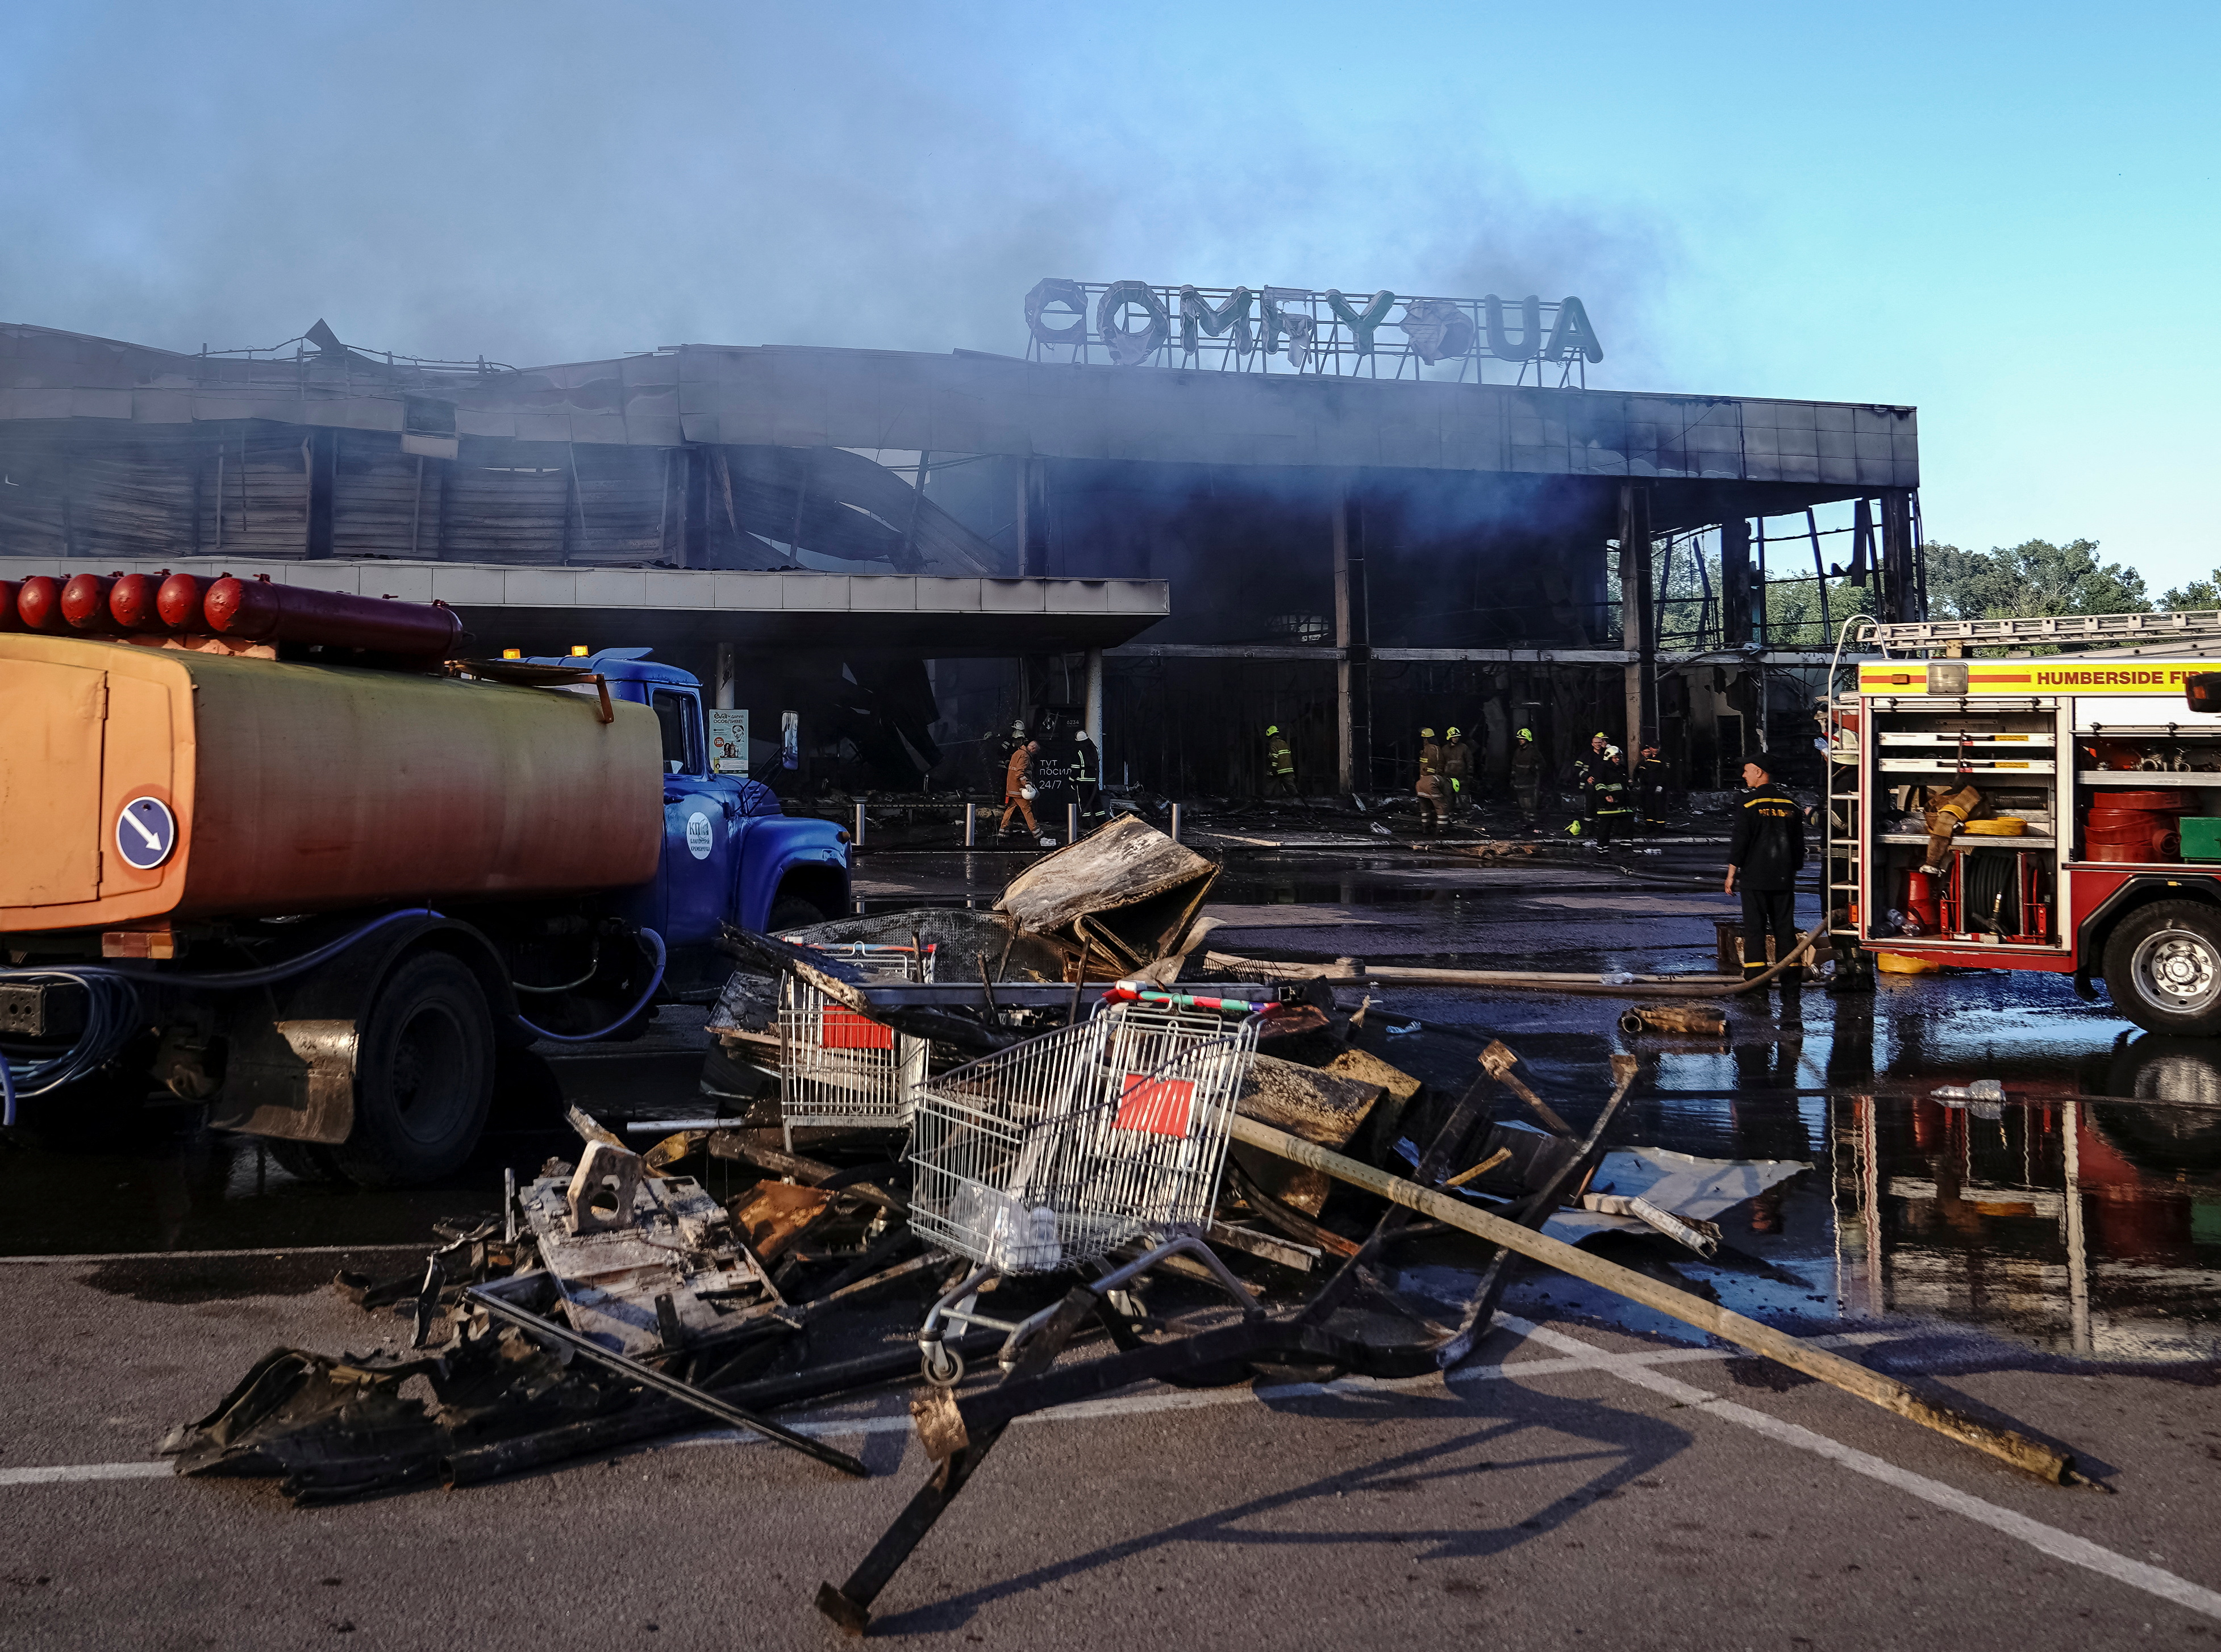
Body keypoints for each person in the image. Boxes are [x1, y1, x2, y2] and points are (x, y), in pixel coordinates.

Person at [1724, 754, 1806, 1023]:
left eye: (1747, 771)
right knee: (1785, 930)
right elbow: (1798, 845)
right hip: (1784, 879)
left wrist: (1732, 873)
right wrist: (1790, 870)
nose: (1744, 776)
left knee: (1755, 931)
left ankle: (1757, 988)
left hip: (1755, 879)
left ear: (1759, 772)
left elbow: (1741, 840)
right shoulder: (1790, 804)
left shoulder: (1748, 803)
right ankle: (1791, 987)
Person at [999, 739, 1046, 838]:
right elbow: (1020, 772)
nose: (1035, 754)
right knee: (1027, 809)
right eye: (1036, 751)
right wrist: (1027, 784)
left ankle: (1002, 831)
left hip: (1012, 787)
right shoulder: (1025, 756)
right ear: (1033, 748)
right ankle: (1036, 832)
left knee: (1010, 808)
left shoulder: (1017, 753)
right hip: (1019, 789)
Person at [1590, 745, 1636, 844]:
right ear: (1609, 757)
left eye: (1619, 757)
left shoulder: (1621, 769)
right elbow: (1599, 784)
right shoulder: (1602, 768)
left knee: (1628, 827)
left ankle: (1626, 849)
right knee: (1604, 831)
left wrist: (1629, 784)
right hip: (1607, 807)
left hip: (1622, 805)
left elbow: (1622, 784)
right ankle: (1602, 854)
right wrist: (1606, 795)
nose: (1618, 760)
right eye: (1615, 758)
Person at [1415, 727, 1448, 832]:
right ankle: (1442, 829)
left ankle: (1426, 827)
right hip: (1431, 782)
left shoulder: (1429, 749)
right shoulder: (1435, 749)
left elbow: (1427, 766)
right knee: (1441, 805)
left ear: (1426, 739)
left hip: (1421, 783)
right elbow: (1438, 766)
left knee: (1425, 807)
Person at [1510, 727, 1542, 830]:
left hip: (1529, 782)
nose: (1520, 741)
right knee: (1522, 804)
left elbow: (1542, 764)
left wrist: (1534, 768)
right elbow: (1514, 765)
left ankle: (1532, 824)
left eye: (1522, 739)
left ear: (1528, 739)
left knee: (1529, 805)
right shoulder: (1517, 752)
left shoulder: (1533, 752)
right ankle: (1526, 822)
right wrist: (1513, 778)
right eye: (1519, 739)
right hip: (1519, 782)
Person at [1636, 742, 1672, 831]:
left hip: (1658, 788)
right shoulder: (1649, 759)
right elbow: (1643, 771)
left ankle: (1660, 828)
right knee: (1649, 807)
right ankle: (1650, 826)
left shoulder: (1664, 758)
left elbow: (1666, 774)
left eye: (1657, 748)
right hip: (1648, 787)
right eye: (1654, 748)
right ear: (1651, 748)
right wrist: (1641, 781)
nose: (1656, 750)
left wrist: (1661, 785)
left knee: (1659, 808)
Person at [1441, 727, 1474, 819]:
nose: (1456, 738)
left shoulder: (1464, 748)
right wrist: (1441, 775)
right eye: (1454, 736)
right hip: (1448, 778)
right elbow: (1441, 763)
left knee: (1464, 797)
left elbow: (1470, 762)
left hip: (1462, 777)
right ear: (1449, 737)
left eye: (1458, 736)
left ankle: (1468, 814)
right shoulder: (1445, 749)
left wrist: (1470, 774)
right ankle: (1449, 814)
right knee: (1449, 797)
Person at [1071, 730, 1102, 821]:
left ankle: (1086, 823)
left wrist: (1071, 780)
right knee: (1096, 802)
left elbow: (1076, 768)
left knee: (1084, 802)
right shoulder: (1094, 748)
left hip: (1083, 780)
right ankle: (1101, 821)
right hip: (1094, 780)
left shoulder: (1078, 750)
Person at [1262, 724, 1297, 798]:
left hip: (1278, 770)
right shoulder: (1284, 743)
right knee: (1292, 787)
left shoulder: (1273, 744)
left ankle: (1265, 800)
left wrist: (1274, 768)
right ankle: (1299, 800)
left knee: (1270, 785)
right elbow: (1289, 755)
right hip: (1288, 769)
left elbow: (1274, 757)